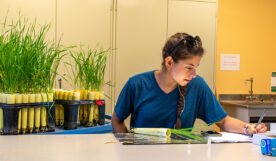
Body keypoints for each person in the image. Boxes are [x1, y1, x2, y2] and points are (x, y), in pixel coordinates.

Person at [111, 32, 267, 135]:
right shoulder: (137, 84)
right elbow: (116, 120)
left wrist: (248, 128)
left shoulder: (197, 85)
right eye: (189, 68)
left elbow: (224, 121)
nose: (194, 74)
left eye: (196, 67)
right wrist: (128, 146)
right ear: (170, 62)